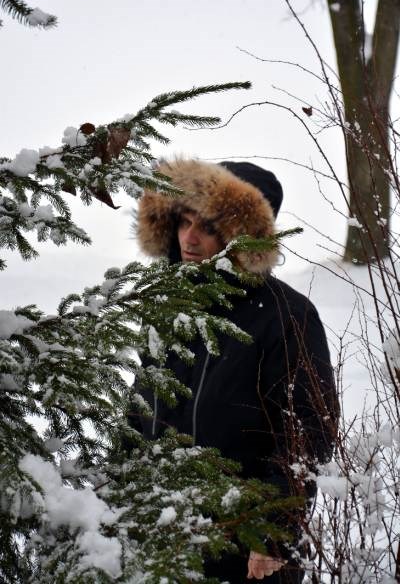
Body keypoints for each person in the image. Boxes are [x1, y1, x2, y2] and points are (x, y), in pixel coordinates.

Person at [132, 158, 339, 583]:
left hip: (247, 552)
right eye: (184, 221)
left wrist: (274, 531)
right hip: (162, 542)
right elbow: (138, 414)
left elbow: (307, 434)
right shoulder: (169, 308)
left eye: (207, 227)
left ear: (240, 237)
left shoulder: (286, 315)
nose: (189, 239)